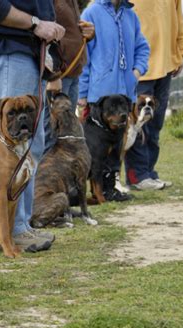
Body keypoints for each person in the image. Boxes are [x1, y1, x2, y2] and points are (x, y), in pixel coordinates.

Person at [0, 0, 65, 253]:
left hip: (26, 52)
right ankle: (10, 232)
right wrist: (36, 24)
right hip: (8, 50)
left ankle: (20, 225)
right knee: (8, 150)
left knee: (29, 147)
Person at [78, 0, 150, 201]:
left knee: (117, 148)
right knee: (97, 150)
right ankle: (93, 192)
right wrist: (82, 94)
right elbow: (84, 56)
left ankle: (110, 188)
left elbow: (142, 47)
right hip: (99, 98)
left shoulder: (130, 15)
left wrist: (136, 72)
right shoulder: (91, 12)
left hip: (125, 94)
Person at [125, 0, 183, 190]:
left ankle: (150, 172)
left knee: (156, 124)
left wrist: (181, 52)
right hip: (139, 67)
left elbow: (179, 19)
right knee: (139, 126)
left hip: (166, 63)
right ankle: (137, 176)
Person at [44, 0, 95, 154]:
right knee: (51, 133)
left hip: (73, 73)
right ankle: (44, 177)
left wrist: (88, 33)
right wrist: (53, 73)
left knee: (65, 132)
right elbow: (43, 34)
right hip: (59, 74)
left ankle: (59, 176)